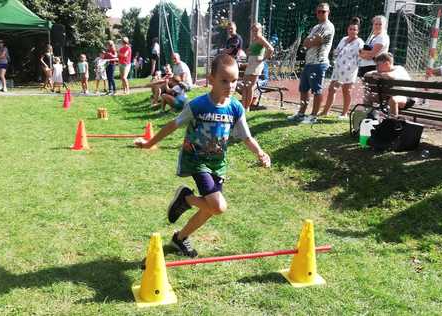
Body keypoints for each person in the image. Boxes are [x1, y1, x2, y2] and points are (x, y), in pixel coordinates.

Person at [134, 54, 271, 257]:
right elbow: (173, 125)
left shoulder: (235, 108)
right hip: (197, 161)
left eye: (234, 81)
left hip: (218, 164)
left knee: (209, 209)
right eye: (224, 80)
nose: (230, 86)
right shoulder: (198, 105)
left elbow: (246, 137)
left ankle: (179, 238)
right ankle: (187, 198)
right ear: (211, 79)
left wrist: (260, 153)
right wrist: (149, 143)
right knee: (219, 206)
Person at [287, 3, 335, 124]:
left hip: (319, 63)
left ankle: (313, 116)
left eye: (323, 11)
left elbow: (316, 41)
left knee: (316, 90)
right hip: (309, 63)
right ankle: (301, 114)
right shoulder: (315, 27)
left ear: (328, 12)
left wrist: (311, 41)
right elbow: (306, 43)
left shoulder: (328, 26)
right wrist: (310, 41)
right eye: (318, 11)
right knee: (303, 89)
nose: (320, 13)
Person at [320, 17, 364, 119]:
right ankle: (325, 111)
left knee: (346, 90)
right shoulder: (344, 39)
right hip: (338, 68)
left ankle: (344, 114)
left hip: (349, 69)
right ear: (347, 30)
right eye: (350, 29)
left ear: (358, 31)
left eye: (354, 29)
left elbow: (361, 55)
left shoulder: (360, 42)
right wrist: (334, 53)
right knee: (331, 89)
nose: (352, 31)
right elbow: (337, 51)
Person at [242, 22, 274, 111]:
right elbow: (249, 51)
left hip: (256, 64)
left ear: (260, 30)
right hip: (251, 62)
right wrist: (248, 52)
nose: (255, 32)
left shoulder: (260, 38)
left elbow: (271, 49)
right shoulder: (254, 40)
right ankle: (243, 106)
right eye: (253, 30)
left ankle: (247, 107)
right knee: (245, 86)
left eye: (256, 30)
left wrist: (263, 58)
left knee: (250, 86)